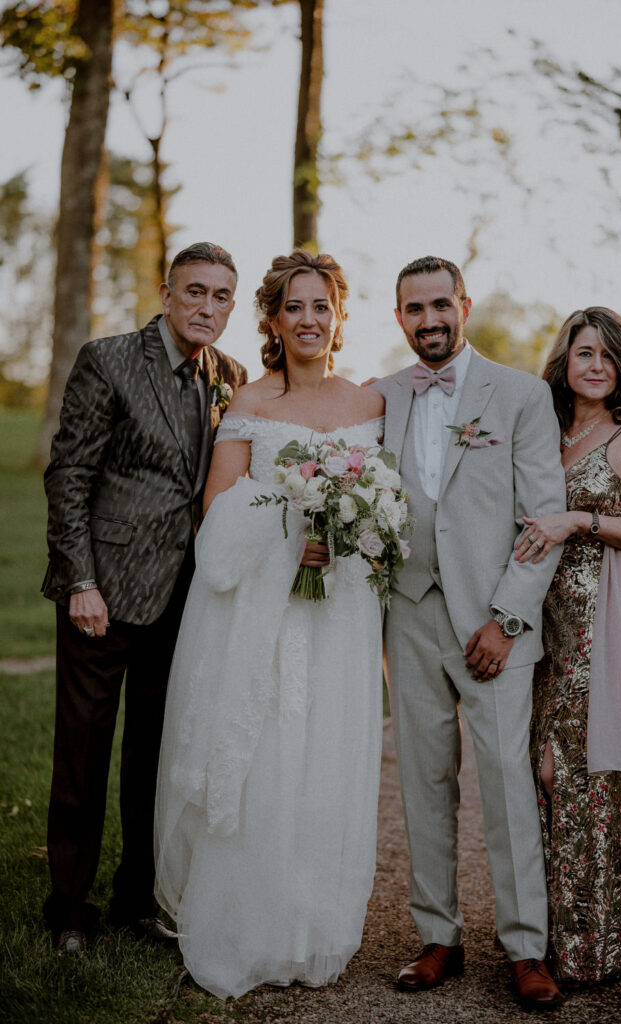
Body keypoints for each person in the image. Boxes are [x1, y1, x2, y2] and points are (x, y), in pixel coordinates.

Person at [154, 250, 386, 1000]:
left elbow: (387, 513)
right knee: (264, 758)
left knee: (326, 757)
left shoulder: (370, 405)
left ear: (339, 317)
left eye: (321, 307)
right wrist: (293, 525)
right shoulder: (248, 403)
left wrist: (353, 532)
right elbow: (217, 511)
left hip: (341, 612)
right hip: (264, 613)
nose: (309, 321)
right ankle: (246, 926)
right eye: (295, 308)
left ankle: (312, 925)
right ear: (272, 320)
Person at [371, 256, 566, 1011]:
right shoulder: (382, 396)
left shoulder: (518, 394)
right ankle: (436, 936)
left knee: (507, 787)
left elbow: (542, 517)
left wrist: (509, 619)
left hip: (494, 624)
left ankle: (524, 948)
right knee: (421, 780)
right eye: (414, 309)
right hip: (410, 614)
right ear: (397, 318)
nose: (429, 321)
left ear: (465, 305)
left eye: (440, 305)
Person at [42, 242, 247, 954]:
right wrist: (81, 582)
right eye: (195, 292)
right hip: (103, 594)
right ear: (166, 293)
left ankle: (134, 899)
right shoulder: (110, 359)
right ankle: (67, 907)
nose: (207, 307)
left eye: (221, 296)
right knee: (83, 755)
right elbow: (68, 474)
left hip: (184, 600)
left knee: (154, 758)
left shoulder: (229, 375)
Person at [515, 307, 621, 983]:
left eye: (609, 355)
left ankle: (603, 937)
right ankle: (551, 930)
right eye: (584, 352)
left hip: (591, 629)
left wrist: (579, 519)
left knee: (581, 775)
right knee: (539, 773)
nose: (596, 365)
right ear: (565, 360)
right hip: (535, 628)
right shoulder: (542, 433)